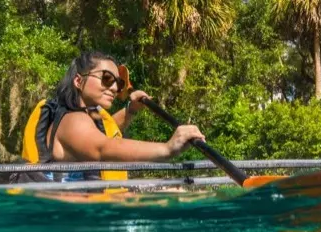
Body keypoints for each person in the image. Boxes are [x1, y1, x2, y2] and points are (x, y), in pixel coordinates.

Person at [20, 51, 205, 181]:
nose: (115, 88)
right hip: (71, 227)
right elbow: (102, 148)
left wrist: (130, 110)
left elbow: (103, 132)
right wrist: (168, 149)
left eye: (119, 82)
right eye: (107, 78)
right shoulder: (74, 121)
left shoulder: (79, 117)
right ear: (78, 80)